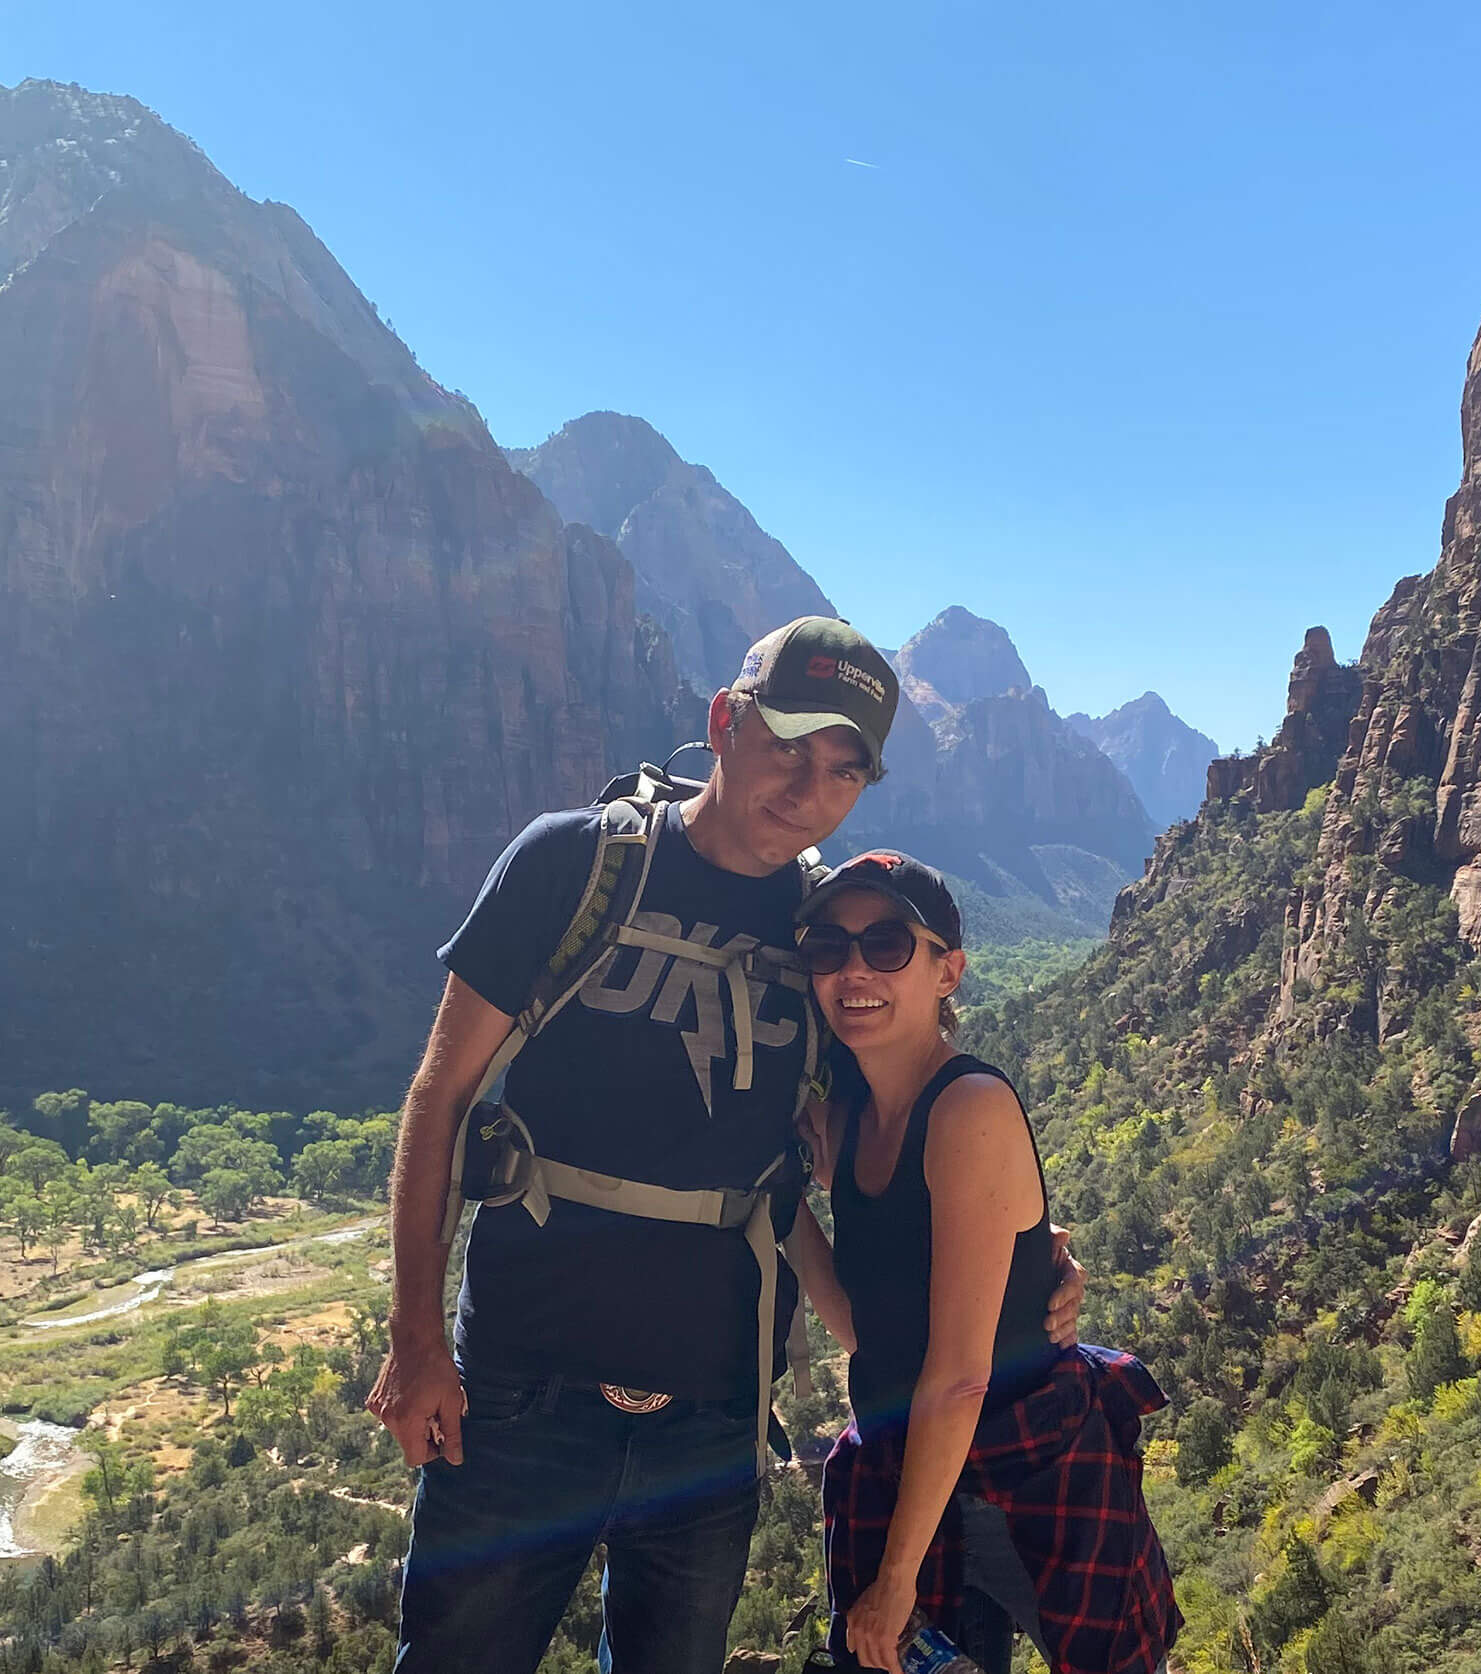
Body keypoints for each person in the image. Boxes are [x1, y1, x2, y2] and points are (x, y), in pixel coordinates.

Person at [365, 617, 1083, 1674]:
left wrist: (1031, 1261)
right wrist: (416, 1337)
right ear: (724, 723)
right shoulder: (574, 864)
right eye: (787, 741)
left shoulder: (822, 938)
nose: (806, 785)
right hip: (517, 1396)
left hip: (713, 1422)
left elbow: (882, 1145)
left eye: (841, 768)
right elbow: (441, 1096)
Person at [783, 851, 1179, 1674]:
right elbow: (870, 1331)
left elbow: (959, 1376)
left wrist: (895, 1581)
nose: (854, 970)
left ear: (948, 972)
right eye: (829, 948)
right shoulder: (847, 1119)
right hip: (914, 1470)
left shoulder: (968, 1109)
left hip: (1031, 1475)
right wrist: (780, 1207)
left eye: (888, 944)